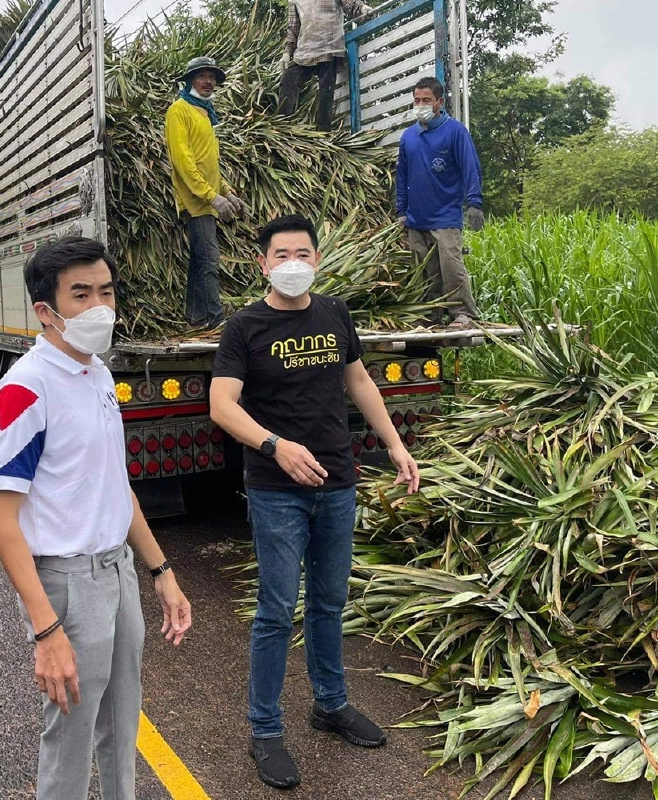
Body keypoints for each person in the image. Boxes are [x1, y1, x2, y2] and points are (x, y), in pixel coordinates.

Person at [209, 214, 421, 790]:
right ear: (263, 264)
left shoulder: (334, 313)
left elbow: (359, 382)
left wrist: (395, 444)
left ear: (318, 260)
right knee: (277, 610)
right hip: (277, 489)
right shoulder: (244, 327)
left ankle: (330, 704)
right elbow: (222, 406)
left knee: (329, 602)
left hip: (337, 482)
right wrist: (275, 446)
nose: (293, 263)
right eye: (281, 255)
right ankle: (265, 729)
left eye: (302, 253)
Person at [0, 237, 192, 800]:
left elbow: (115, 486)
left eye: (106, 292)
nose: (99, 306)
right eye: (81, 295)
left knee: (123, 723)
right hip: (68, 583)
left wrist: (160, 571)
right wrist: (47, 630)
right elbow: (0, 521)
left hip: (117, 571)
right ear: (45, 311)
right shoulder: (25, 389)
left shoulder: (96, 372)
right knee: (70, 737)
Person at [395, 76, 484, 328]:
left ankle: (463, 313)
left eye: (426, 100)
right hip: (416, 218)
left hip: (445, 216)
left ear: (439, 102)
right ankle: (430, 315)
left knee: (451, 266)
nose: (420, 105)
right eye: (417, 100)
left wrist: (474, 203)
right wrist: (401, 210)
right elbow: (402, 176)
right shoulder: (409, 137)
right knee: (424, 271)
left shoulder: (455, 132)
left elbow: (470, 167)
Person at [165, 56, 245, 329]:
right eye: (202, 76)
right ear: (190, 80)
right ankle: (215, 318)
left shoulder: (205, 113)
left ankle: (196, 317)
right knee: (209, 259)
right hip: (196, 199)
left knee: (200, 260)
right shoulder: (179, 110)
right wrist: (211, 196)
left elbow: (209, 161)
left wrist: (227, 192)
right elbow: (184, 162)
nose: (208, 82)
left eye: (212, 77)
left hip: (209, 197)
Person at [278, 0, 373, 131]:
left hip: (329, 47)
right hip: (305, 51)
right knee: (288, 79)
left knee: (326, 89)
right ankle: (282, 126)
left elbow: (350, 3)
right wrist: (287, 52)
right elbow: (293, 27)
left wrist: (362, 8)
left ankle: (324, 131)